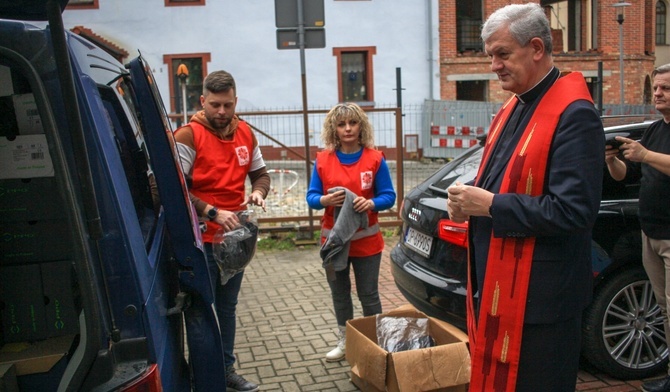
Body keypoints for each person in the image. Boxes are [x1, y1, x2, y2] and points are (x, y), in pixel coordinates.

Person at [446, 3, 604, 391]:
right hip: (502, 286)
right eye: (490, 56)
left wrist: (489, 205)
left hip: (542, 302)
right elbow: (498, 181)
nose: (494, 66)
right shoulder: (513, 106)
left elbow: (574, 211)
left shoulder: (574, 114)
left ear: (536, 47)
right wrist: (467, 203)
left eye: (502, 54)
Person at [174, 70, 269, 392]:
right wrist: (210, 211)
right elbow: (168, 188)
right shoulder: (187, 136)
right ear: (202, 101)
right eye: (214, 105)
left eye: (227, 105)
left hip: (234, 243)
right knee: (202, 311)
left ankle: (225, 370)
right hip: (198, 241)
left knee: (227, 308)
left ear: (235, 101)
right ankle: (203, 377)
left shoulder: (245, 133)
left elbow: (261, 175)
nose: (221, 112)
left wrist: (258, 192)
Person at [306, 102, 396, 362]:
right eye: (342, 124)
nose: (347, 129)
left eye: (352, 123)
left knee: (369, 295)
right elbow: (311, 196)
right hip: (333, 243)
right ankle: (345, 341)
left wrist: (371, 203)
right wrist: (323, 201)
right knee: (340, 294)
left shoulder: (375, 158)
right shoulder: (323, 160)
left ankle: (376, 344)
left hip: (367, 243)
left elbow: (388, 196)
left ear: (361, 126)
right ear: (334, 128)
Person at [605, 64, 670, 392]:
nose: (657, 93)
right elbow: (625, 176)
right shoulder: (656, 130)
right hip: (651, 234)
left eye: (665, 89)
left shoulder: (653, 142)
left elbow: (649, 160)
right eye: (656, 88)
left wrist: (645, 154)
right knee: (664, 307)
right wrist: (613, 160)